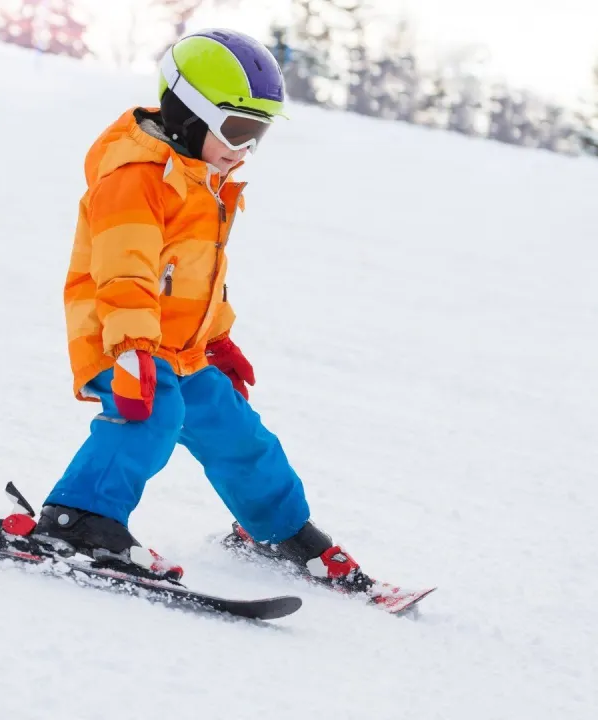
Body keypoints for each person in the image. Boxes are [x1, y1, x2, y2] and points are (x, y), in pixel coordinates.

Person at [33, 29, 373, 596]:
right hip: (122, 338)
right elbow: (125, 274)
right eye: (237, 130)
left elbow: (197, 275)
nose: (244, 149)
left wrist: (216, 339)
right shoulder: (137, 177)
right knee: (153, 417)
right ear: (188, 112)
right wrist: (134, 350)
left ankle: (280, 530)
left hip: (181, 347)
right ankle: (79, 518)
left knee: (239, 433)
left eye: (257, 134)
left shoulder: (203, 175)